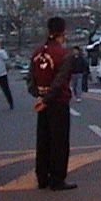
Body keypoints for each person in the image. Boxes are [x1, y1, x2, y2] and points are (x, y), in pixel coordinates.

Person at [27, 17, 76, 191]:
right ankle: (57, 178)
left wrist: (39, 95)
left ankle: (42, 177)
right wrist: (48, 98)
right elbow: (60, 82)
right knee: (59, 141)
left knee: (43, 140)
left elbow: (30, 78)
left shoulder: (37, 53)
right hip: (58, 102)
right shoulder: (64, 55)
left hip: (42, 101)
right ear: (62, 33)